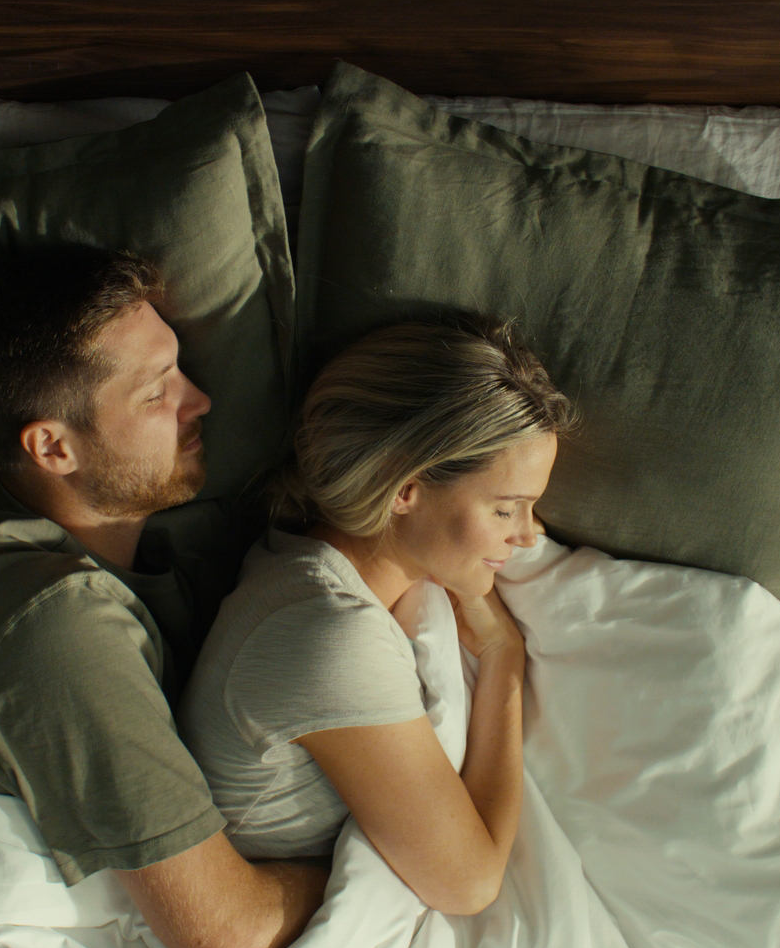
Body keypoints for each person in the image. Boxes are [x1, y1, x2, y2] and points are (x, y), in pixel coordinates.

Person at [0, 244, 326, 948]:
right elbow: (228, 937)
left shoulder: (124, 561)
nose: (201, 401)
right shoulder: (60, 626)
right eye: (158, 391)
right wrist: (371, 858)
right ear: (53, 446)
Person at [180, 322, 573, 915]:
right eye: (505, 508)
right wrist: (503, 656)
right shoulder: (330, 635)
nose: (525, 536)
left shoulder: (299, 556)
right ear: (404, 487)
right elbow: (469, 884)